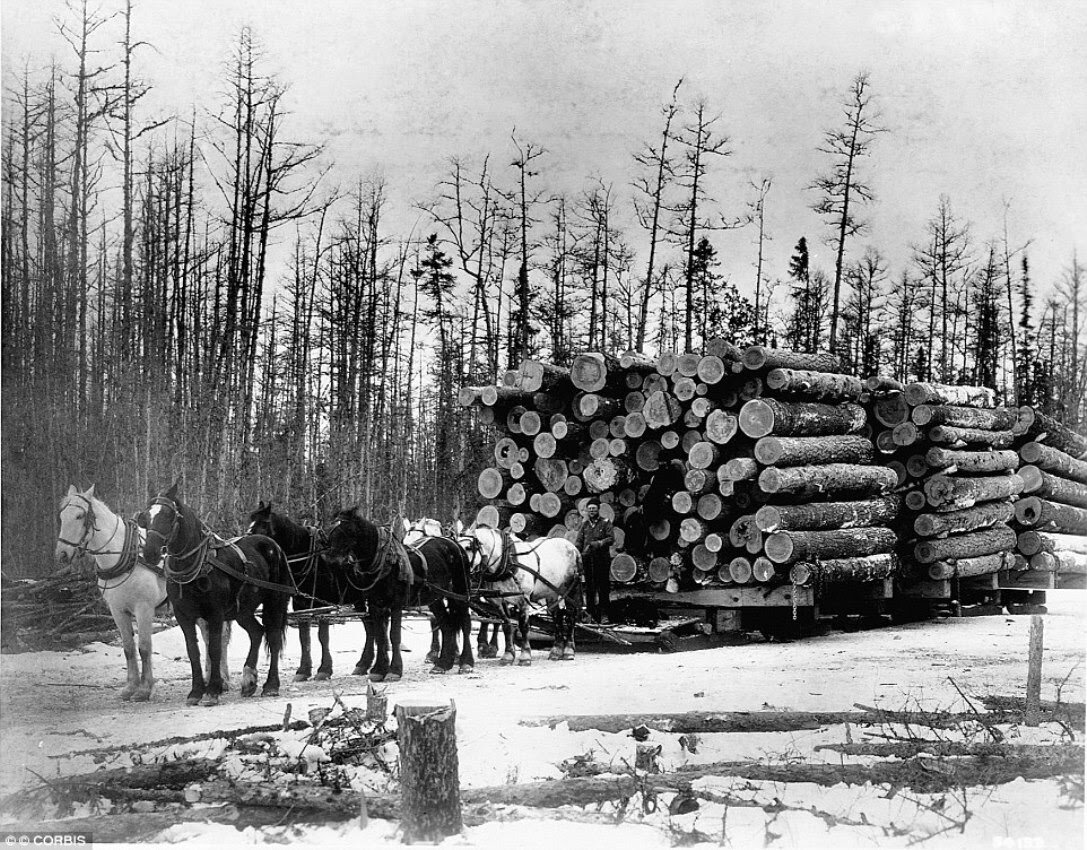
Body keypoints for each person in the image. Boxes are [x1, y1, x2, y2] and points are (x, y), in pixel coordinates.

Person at [575, 499, 614, 623]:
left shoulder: (605, 523)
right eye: (590, 509)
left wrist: (598, 543)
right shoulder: (585, 525)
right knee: (590, 588)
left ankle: (604, 615)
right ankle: (590, 614)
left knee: (603, 588)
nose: (592, 511)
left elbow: (611, 539)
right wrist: (577, 552)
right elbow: (579, 541)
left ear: (598, 509)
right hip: (588, 560)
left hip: (602, 560)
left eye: (594, 508)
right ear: (587, 510)